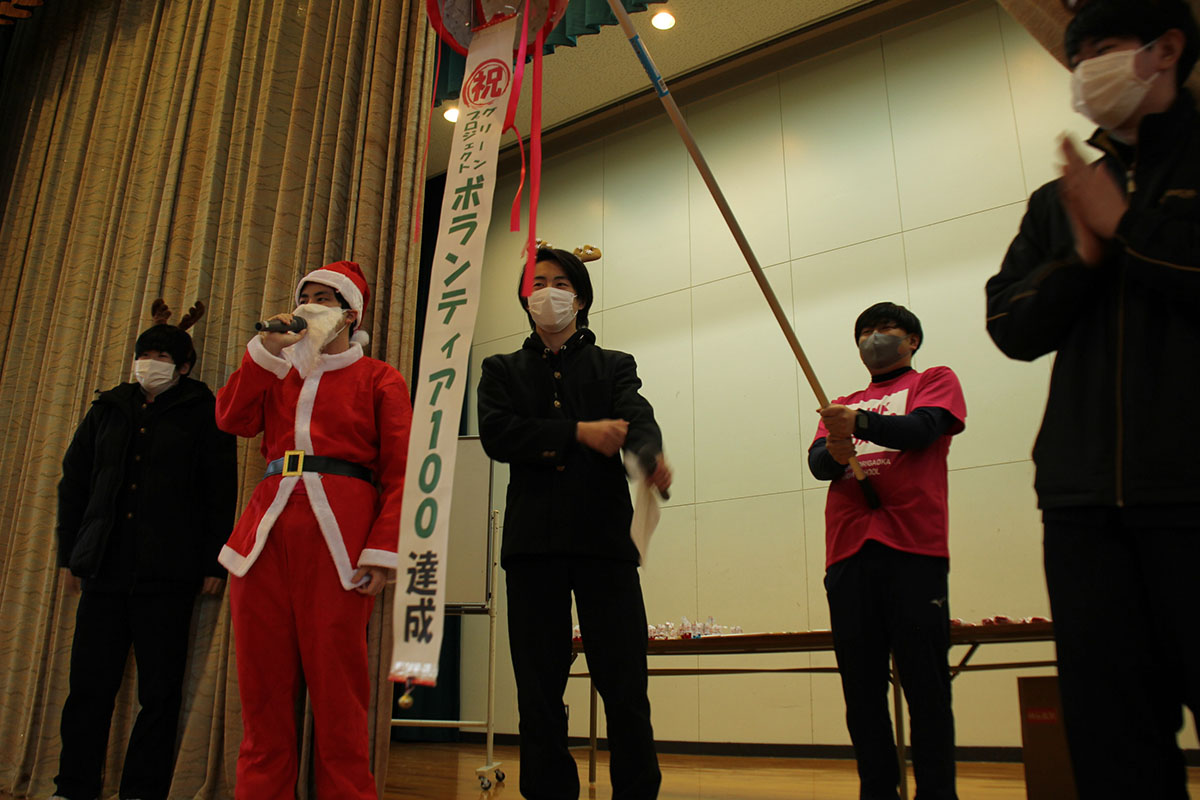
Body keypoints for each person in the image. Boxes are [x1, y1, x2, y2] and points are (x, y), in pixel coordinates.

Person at [985, 0, 1200, 794]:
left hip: (1190, 491)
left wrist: (1129, 229)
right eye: (1076, 59)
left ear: (1166, 48)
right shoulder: (1060, 199)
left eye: (1103, 48)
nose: (1085, 72)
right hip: (1082, 505)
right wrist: (1081, 256)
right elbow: (1008, 323)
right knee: (1111, 734)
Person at [477, 246, 672, 800]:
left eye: (560, 283)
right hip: (532, 546)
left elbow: (637, 417)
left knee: (624, 681)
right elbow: (499, 435)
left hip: (604, 541)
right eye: (537, 283)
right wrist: (577, 433)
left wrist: (648, 456)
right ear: (526, 299)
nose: (548, 293)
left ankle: (637, 791)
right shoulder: (501, 369)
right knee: (538, 688)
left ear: (580, 298)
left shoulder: (614, 364)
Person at [215, 260, 412, 800]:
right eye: (307, 296)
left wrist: (380, 552)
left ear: (350, 314)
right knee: (262, 693)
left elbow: (402, 471)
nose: (311, 306)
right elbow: (230, 418)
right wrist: (265, 352)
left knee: (338, 691)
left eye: (325, 298)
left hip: (340, 540)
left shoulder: (379, 377)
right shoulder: (278, 371)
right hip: (263, 538)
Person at [53, 300, 237, 800]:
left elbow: (220, 492)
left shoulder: (205, 412)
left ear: (183, 367)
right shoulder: (108, 408)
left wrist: (213, 562)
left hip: (169, 573)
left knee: (159, 693)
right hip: (104, 570)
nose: (150, 363)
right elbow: (74, 483)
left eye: (162, 357)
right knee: (88, 688)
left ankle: (142, 789)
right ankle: (73, 786)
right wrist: (71, 554)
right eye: (145, 354)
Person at [808, 302, 966, 800]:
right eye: (865, 331)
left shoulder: (934, 380)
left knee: (926, 685)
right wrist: (835, 450)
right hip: (848, 551)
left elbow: (921, 430)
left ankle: (937, 792)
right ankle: (877, 790)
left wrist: (858, 424)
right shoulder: (840, 403)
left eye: (885, 328)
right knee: (861, 689)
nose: (874, 338)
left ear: (912, 339)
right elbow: (818, 464)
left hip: (913, 548)